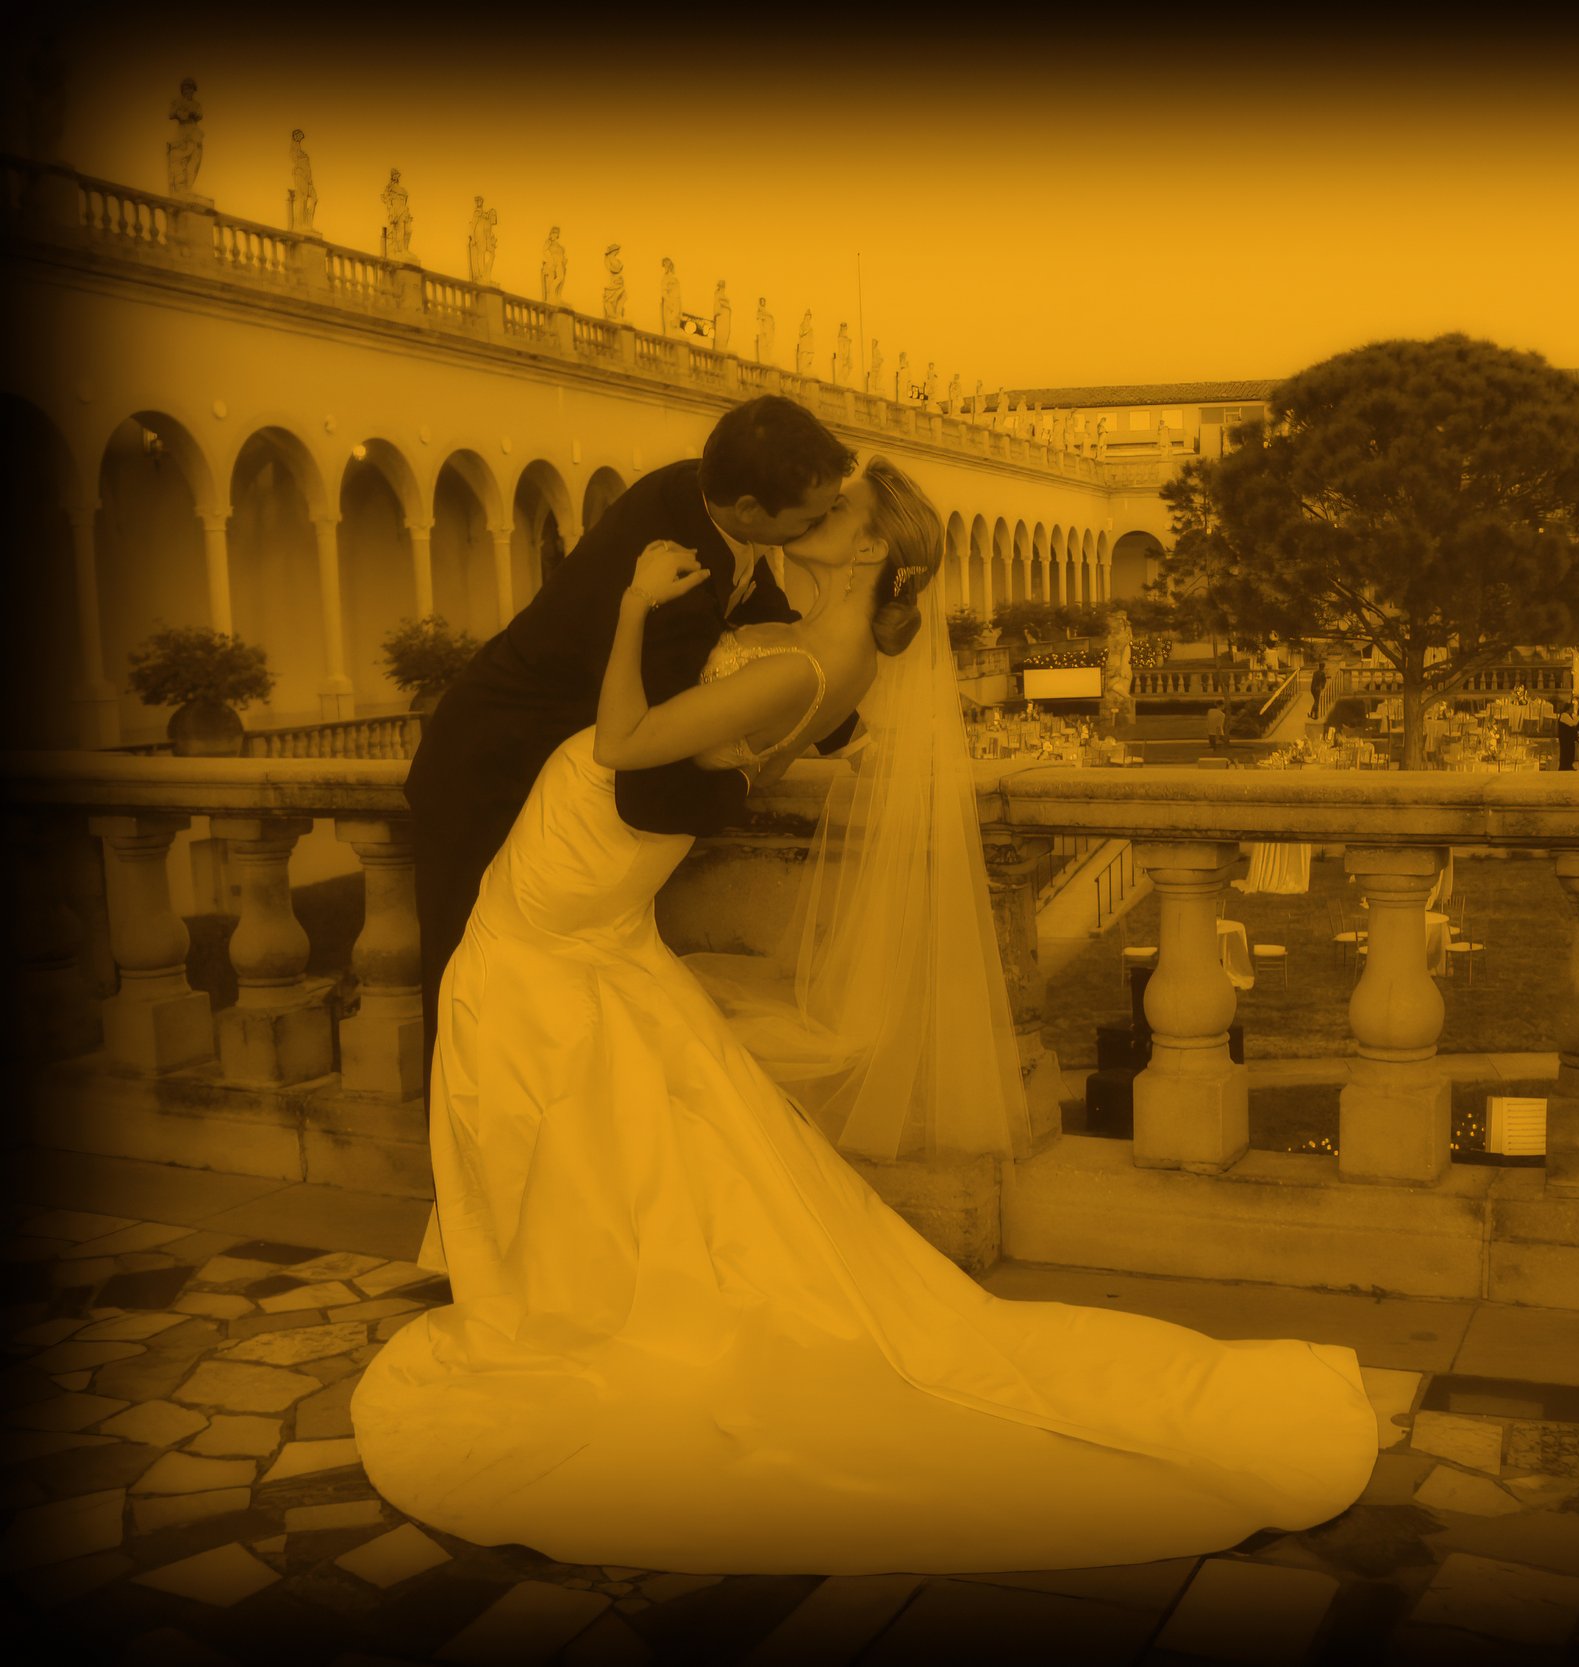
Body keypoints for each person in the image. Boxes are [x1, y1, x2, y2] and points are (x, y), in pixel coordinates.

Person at [354, 455, 1374, 1576]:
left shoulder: (805, 656)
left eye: (833, 513)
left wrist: (634, 610)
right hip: (600, 875)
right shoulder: (819, 646)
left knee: (528, 1024)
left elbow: (623, 744)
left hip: (581, 863)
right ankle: (571, 1282)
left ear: (867, 548)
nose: (810, 516)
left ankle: (579, 1307)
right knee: (610, 1077)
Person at [405, 397, 906, 1050]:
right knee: (467, 996)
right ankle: (461, 1146)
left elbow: (771, 631)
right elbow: (653, 786)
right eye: (813, 513)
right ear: (752, 511)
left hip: (551, 772)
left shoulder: (696, 493)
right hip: (487, 774)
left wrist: (846, 732)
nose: (823, 521)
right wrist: (754, 775)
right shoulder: (667, 583)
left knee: (527, 1007)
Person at [1555, 699, 1579, 772]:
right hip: (1565, 739)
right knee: (1566, 752)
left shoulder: (1570, 715)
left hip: (1569, 739)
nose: (1573, 710)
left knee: (1570, 752)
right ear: (1569, 709)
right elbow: (1573, 723)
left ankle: (1569, 765)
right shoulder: (1564, 715)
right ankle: (1565, 767)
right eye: (1572, 708)